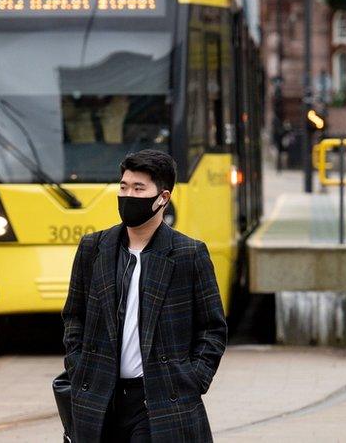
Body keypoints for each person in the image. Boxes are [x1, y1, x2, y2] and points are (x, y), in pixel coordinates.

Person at [62, 149, 227, 442]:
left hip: (160, 398)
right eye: (123, 187)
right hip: (101, 397)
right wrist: (78, 367)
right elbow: (74, 316)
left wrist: (193, 379)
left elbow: (213, 328)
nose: (128, 195)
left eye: (139, 188)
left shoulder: (189, 254)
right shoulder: (93, 248)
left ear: (162, 197)